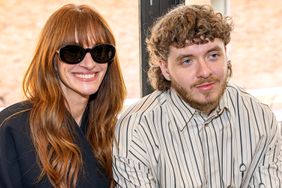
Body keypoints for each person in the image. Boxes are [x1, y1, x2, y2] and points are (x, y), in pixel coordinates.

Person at [113, 4, 282, 188]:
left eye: (213, 55)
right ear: (165, 69)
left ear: (226, 54)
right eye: (187, 61)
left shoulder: (260, 119)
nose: (204, 71)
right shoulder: (137, 130)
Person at [0, 4, 126, 188]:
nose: (89, 64)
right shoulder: (11, 130)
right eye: (74, 52)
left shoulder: (113, 132)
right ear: (51, 59)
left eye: (100, 52)